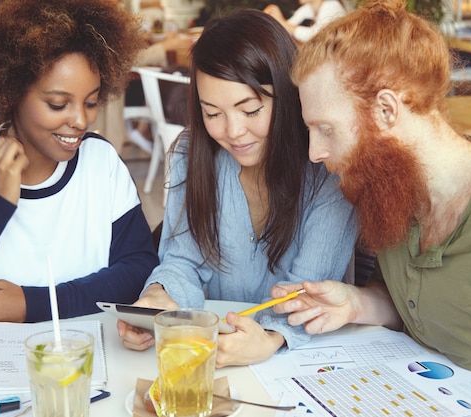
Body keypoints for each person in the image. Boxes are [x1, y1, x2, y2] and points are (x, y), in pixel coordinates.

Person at [272, 0, 471, 414]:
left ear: (386, 110)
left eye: (325, 129)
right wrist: (356, 303)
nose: (315, 153)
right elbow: (413, 302)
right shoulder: (393, 190)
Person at [117, 9, 358, 367]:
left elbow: (309, 290)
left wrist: (271, 339)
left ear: (288, 97)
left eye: (250, 110)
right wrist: (158, 298)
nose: (232, 131)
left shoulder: (326, 165)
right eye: (212, 113)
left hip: (298, 362)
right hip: (210, 355)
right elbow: (183, 260)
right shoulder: (191, 152)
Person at [0, 0, 160, 329]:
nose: (81, 120)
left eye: (91, 102)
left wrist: (33, 303)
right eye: (57, 103)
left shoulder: (100, 161)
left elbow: (139, 269)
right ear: (10, 93)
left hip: (82, 364)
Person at [264, 0, 346, 43]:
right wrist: (269, 17)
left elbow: (316, 35)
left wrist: (282, 22)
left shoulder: (331, 5)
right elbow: (287, 28)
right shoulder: (308, 8)